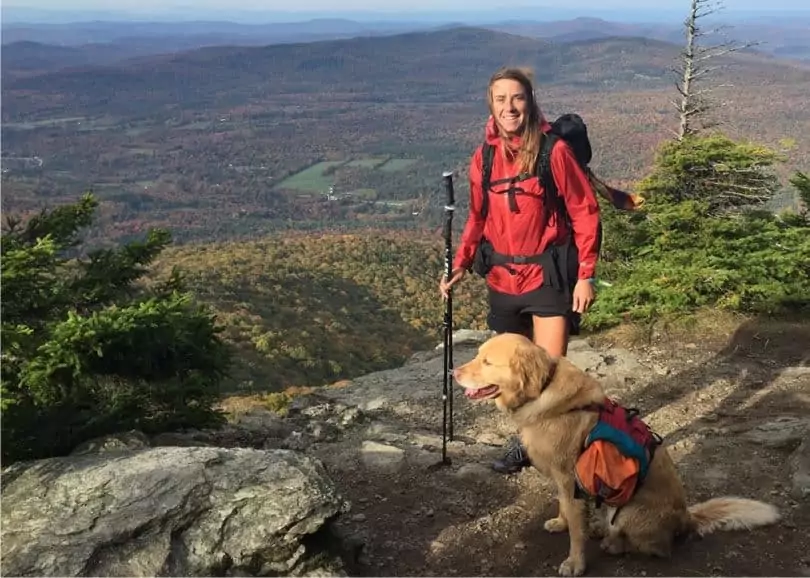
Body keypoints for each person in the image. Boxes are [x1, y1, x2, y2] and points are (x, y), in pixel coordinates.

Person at [439, 66, 601, 474]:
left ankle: (555, 449)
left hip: (548, 276)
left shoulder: (554, 152)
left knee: (545, 372)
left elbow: (584, 212)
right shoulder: (486, 157)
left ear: (530, 101)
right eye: (501, 99)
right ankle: (529, 441)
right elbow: (477, 217)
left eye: (517, 98)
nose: (509, 107)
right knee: (512, 374)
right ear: (490, 106)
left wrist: (586, 274)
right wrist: (461, 263)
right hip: (502, 278)